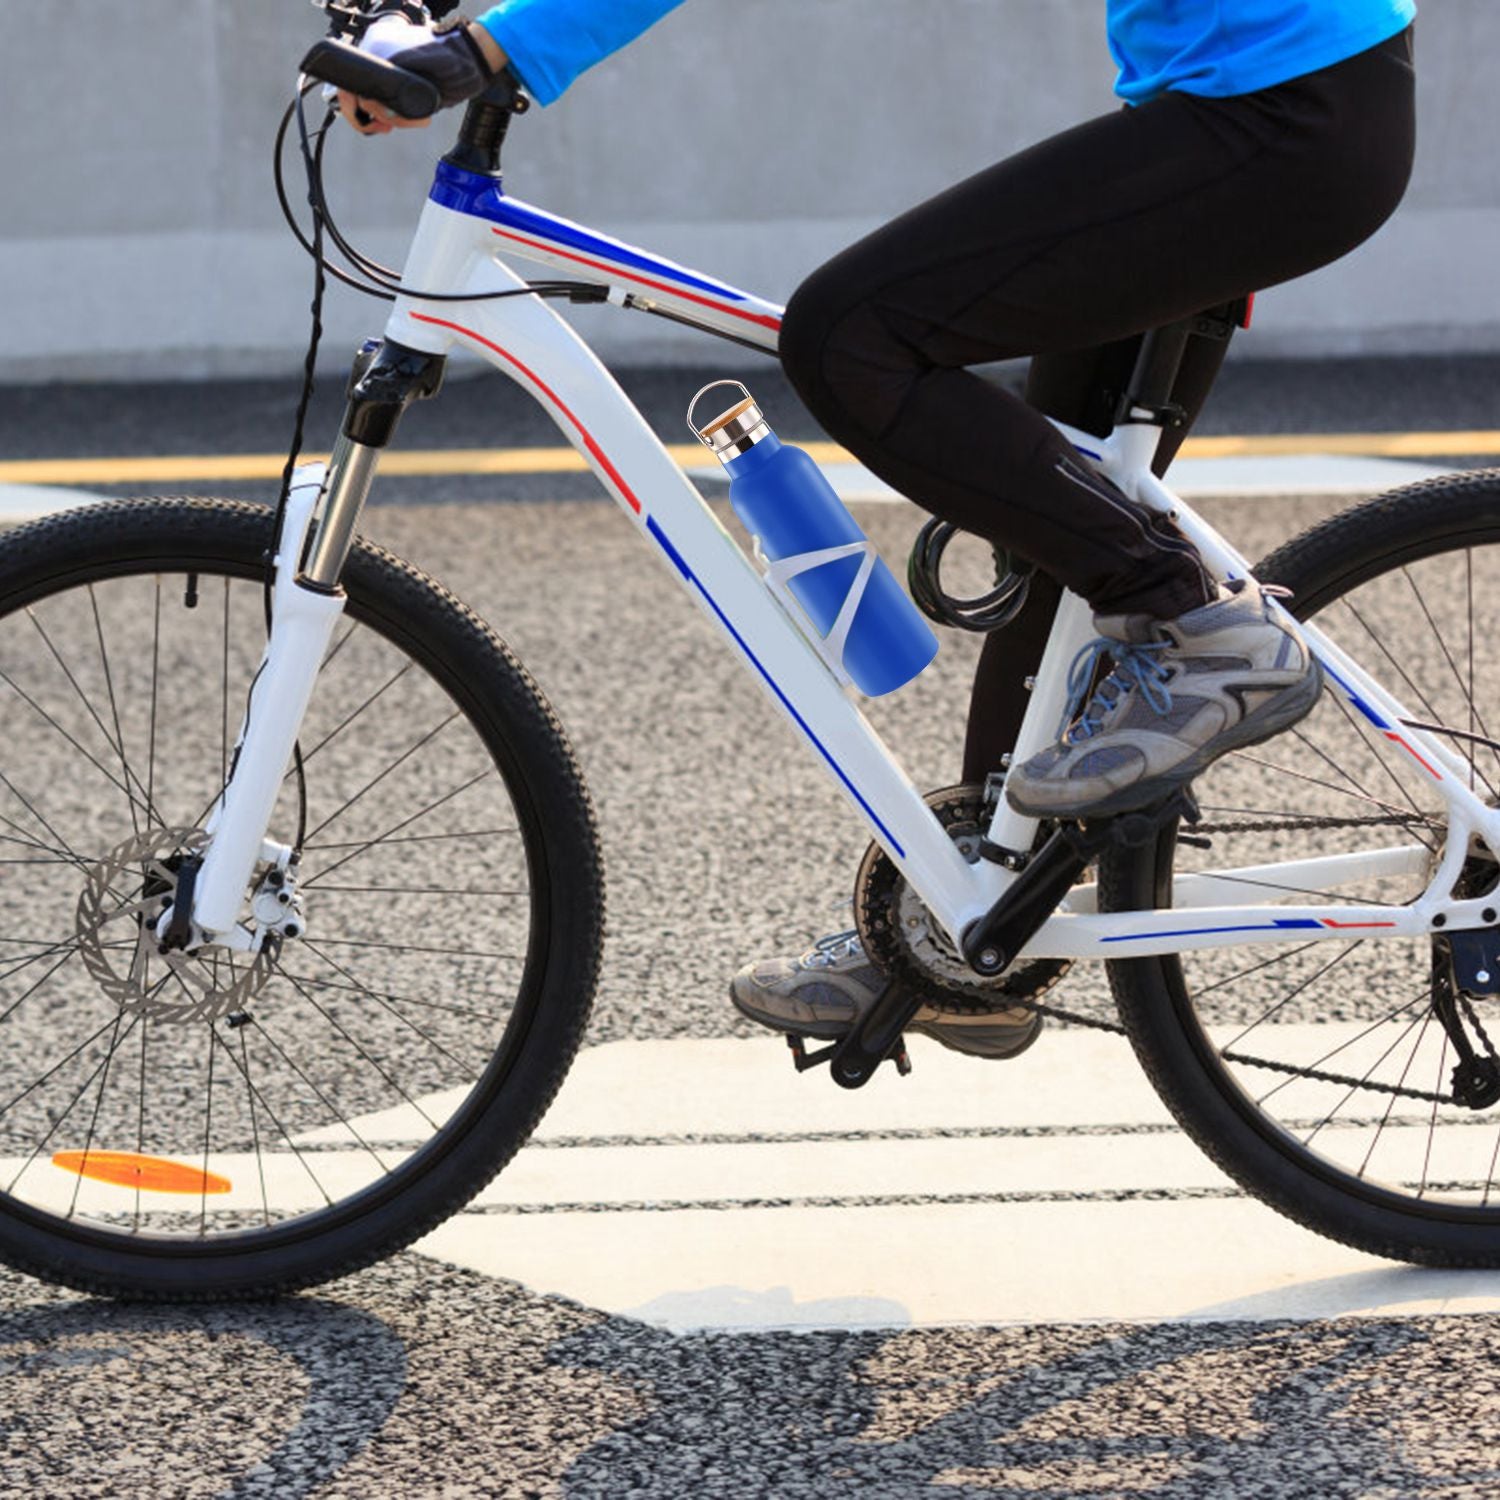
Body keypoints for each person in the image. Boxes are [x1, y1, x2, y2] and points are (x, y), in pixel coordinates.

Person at [342, 1, 1418, 1059]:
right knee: (1056, 516)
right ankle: (964, 925)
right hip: (1267, 108)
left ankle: (1203, 628)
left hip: (1278, 114)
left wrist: (496, 46)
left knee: (849, 337)